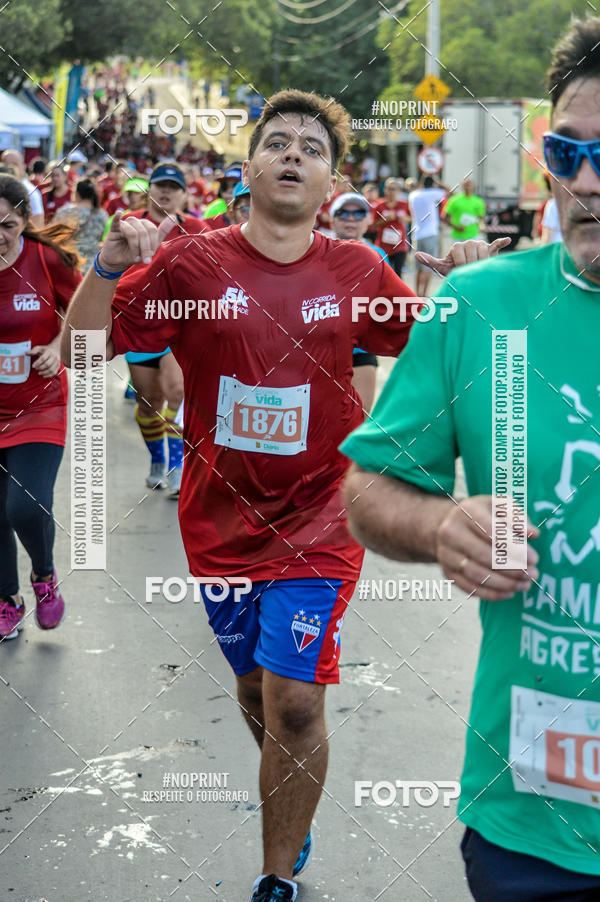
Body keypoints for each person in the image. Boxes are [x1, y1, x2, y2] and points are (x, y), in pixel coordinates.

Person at [61, 88, 501, 902]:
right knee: (257, 691)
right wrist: (108, 268)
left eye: (312, 146)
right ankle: (290, 796)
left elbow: (448, 348)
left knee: (296, 699)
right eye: (278, 142)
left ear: (331, 180)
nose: (294, 153)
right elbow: (82, 353)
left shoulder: (358, 268)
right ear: (251, 166)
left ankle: (275, 875)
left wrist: (476, 287)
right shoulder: (193, 265)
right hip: (219, 523)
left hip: (322, 516)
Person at [341, 15, 600, 901]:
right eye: (568, 155)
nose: (590, 183)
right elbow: (371, 487)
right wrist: (438, 522)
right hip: (534, 816)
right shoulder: (477, 307)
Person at [0, 175, 81, 639]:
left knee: (25, 506)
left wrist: (57, 345)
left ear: (24, 221)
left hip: (38, 406)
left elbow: (87, 312)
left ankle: (44, 578)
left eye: (7, 224)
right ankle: (6, 599)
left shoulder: (46, 260)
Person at [121, 162, 208, 497]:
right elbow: (113, 271)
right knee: (148, 403)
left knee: (176, 392)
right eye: (161, 186)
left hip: (181, 328)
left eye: (174, 187)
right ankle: (157, 460)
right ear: (149, 190)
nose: (167, 192)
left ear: (185, 195)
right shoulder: (129, 225)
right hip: (141, 329)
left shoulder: (197, 227)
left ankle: (176, 467)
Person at [330, 191, 389, 412]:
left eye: (358, 213)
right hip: (321, 349)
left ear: (368, 220)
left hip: (361, 350)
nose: (351, 219)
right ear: (332, 218)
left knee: (359, 419)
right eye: (343, 213)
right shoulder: (313, 249)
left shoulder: (378, 254)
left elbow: (389, 305)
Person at [54, 178, 108, 273]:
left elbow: (53, 236)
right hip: (92, 267)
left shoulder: (64, 212)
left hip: (69, 263)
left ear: (77, 194)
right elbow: (105, 240)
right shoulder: (101, 214)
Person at [409, 175, 449, 297]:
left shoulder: (414, 195)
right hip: (430, 234)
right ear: (432, 184)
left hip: (416, 234)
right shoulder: (433, 193)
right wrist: (439, 182)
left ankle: (416, 293)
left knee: (418, 266)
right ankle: (424, 294)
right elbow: (449, 191)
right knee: (428, 266)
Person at [373, 177, 411, 278]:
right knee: (383, 274)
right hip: (383, 246)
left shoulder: (404, 204)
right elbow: (372, 226)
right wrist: (385, 219)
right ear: (385, 190)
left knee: (398, 275)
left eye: (393, 189)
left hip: (400, 246)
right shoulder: (379, 205)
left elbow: (411, 219)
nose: (390, 192)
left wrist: (404, 218)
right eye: (388, 188)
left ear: (399, 191)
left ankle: (398, 294)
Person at [0, 150, 44, 228]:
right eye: (5, 164)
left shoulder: (31, 192)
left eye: (15, 164)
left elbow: (38, 223)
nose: (10, 168)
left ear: (23, 166)